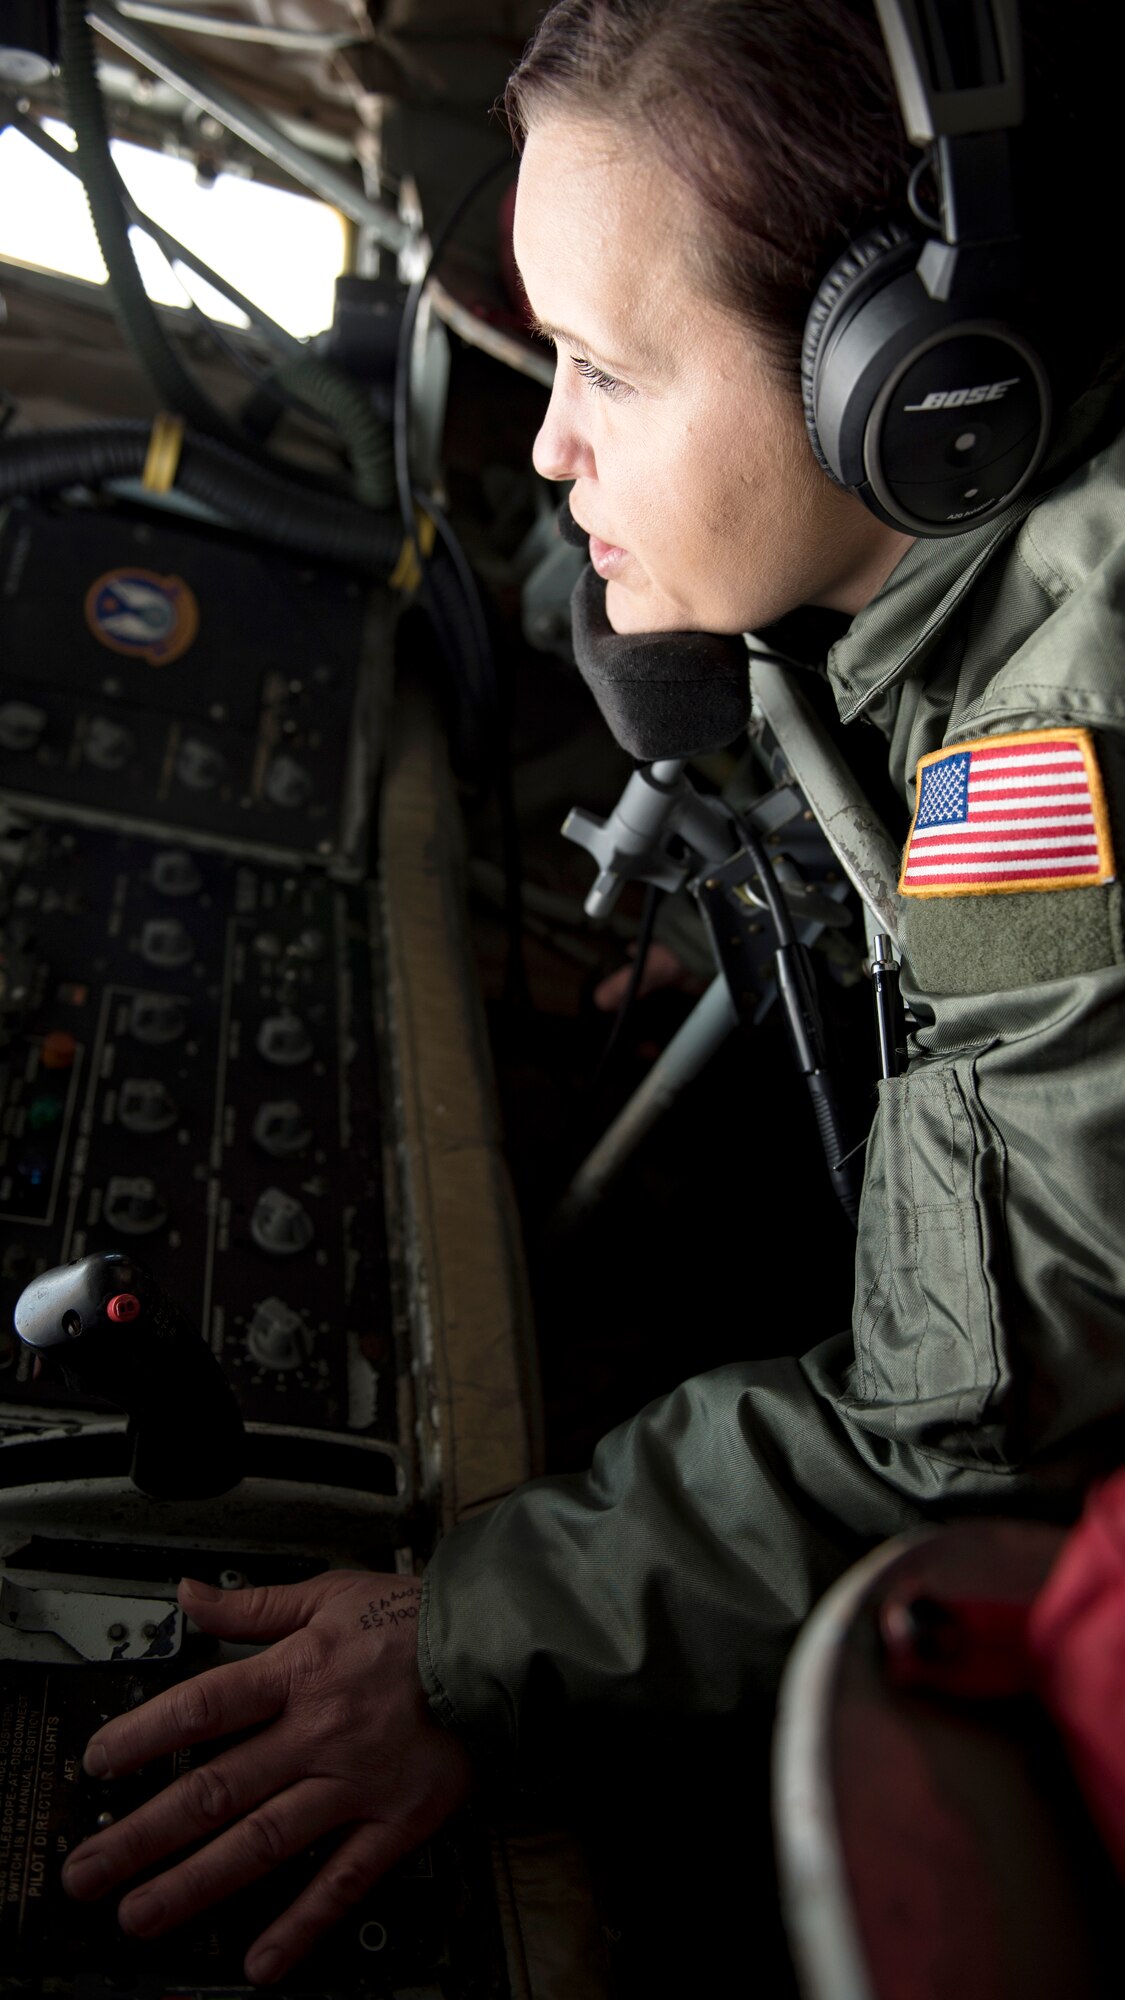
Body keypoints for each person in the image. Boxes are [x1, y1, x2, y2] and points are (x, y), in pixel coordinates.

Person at [60, 0, 1125, 1984]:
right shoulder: (980, 562)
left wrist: (462, 1642)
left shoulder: (1061, 755)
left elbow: (962, 1441)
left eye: (607, 368)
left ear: (907, 386)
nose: (547, 441)